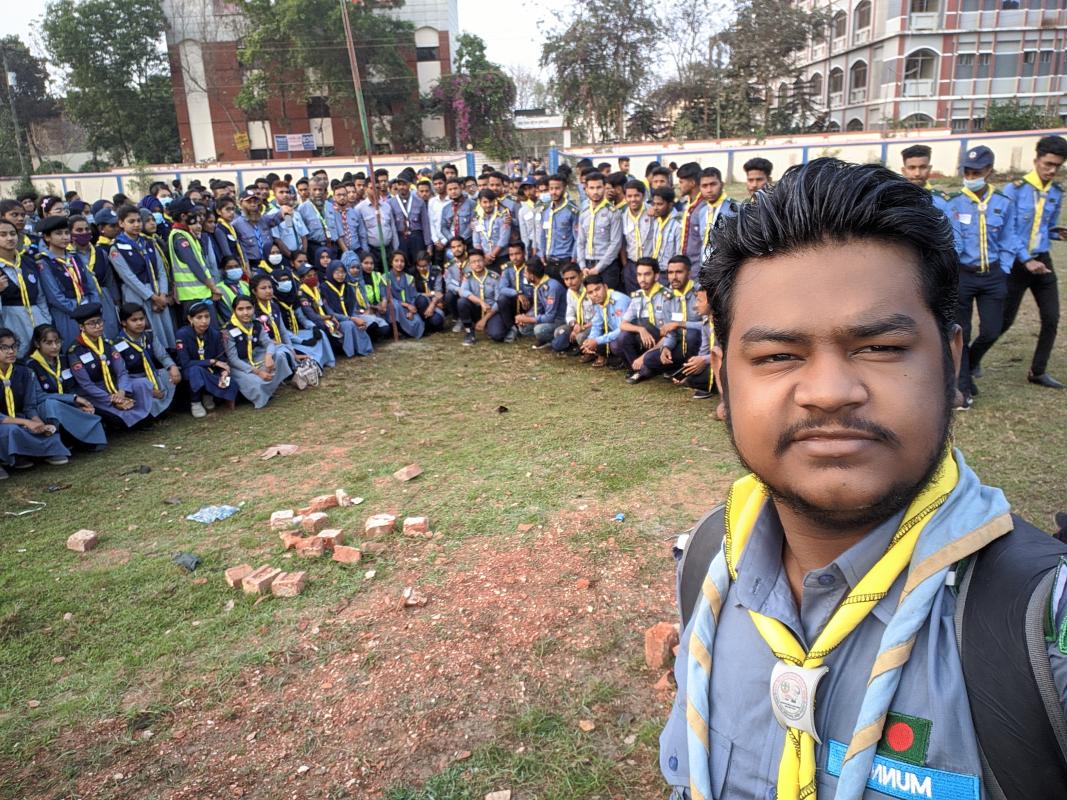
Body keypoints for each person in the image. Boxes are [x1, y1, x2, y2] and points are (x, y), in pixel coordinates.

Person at [660, 156, 1067, 800]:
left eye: (879, 348)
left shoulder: (1044, 627)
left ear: (950, 361)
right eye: (776, 356)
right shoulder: (710, 560)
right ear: (722, 378)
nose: (828, 392)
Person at [945, 146, 1017, 407]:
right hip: (964, 275)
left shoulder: (1002, 203)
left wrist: (1005, 269)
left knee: (992, 329)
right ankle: (963, 390)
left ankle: (972, 363)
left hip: (993, 275)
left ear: (989, 172)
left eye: (977, 171)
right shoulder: (953, 203)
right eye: (967, 170)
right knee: (962, 331)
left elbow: (1010, 238)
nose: (971, 175)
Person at [997, 134, 1067, 389]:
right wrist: (1026, 260)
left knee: (1051, 317)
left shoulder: (1056, 192)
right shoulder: (1014, 190)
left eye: (1057, 166)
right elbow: (1009, 230)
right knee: (1003, 320)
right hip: (1017, 263)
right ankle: (969, 362)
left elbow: (1044, 227)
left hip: (1042, 259)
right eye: (1047, 164)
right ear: (1036, 160)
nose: (1051, 170)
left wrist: (1056, 233)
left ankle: (1038, 371)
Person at [67, 303, 153, 428]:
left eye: (100, 322)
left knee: (142, 383)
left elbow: (122, 372)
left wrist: (122, 392)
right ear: (82, 327)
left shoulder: (108, 343)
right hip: (96, 393)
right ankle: (134, 417)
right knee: (119, 418)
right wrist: (112, 398)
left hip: (116, 388)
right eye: (92, 323)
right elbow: (86, 385)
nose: (98, 326)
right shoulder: (75, 350)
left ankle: (138, 415)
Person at [0, 327, 70, 478]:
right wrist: (26, 422)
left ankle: (21, 455)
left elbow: (29, 406)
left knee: (48, 433)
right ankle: (12, 457)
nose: (11, 351)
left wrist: (38, 423)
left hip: (19, 417)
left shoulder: (24, 372)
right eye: (3, 348)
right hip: (5, 422)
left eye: (13, 346)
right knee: (13, 430)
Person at [26, 323, 107, 447]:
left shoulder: (63, 359)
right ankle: (65, 438)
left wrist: (77, 403)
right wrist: (72, 398)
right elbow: (39, 396)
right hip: (44, 409)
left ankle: (81, 438)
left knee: (88, 407)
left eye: (57, 342)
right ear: (37, 344)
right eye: (48, 343)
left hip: (68, 405)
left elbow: (72, 387)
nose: (55, 346)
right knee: (52, 404)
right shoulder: (30, 366)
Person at [109, 204, 176, 351]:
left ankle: (170, 358)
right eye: (131, 221)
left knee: (166, 331)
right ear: (121, 223)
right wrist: (152, 297)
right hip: (138, 295)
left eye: (139, 221)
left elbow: (161, 270)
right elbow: (128, 277)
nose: (137, 225)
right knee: (148, 332)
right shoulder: (117, 248)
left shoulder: (148, 242)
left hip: (158, 292)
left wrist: (163, 294)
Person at [633, 255, 702, 382]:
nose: (674, 277)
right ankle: (676, 369)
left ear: (689, 273)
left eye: (679, 272)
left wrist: (680, 324)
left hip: (701, 345)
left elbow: (709, 325)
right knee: (650, 358)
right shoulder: (667, 298)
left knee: (692, 335)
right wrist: (667, 347)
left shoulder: (700, 292)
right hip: (680, 345)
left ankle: (693, 374)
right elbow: (670, 334)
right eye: (670, 272)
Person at [36, 216, 102, 348]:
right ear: (47, 237)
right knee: (73, 346)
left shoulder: (74, 257)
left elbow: (91, 285)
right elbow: (55, 296)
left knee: (95, 346)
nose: (65, 237)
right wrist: (79, 310)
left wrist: (93, 306)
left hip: (88, 310)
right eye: (58, 234)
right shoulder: (44, 262)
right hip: (67, 314)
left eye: (66, 233)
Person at [223, 294, 293, 409]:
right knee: (257, 383)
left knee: (280, 353)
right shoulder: (228, 330)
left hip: (255, 358)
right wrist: (258, 372)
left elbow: (268, 343)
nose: (245, 313)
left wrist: (268, 356)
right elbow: (233, 359)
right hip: (240, 366)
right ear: (234, 311)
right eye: (240, 309)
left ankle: (270, 386)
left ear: (254, 308)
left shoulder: (256, 324)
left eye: (249, 308)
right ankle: (264, 391)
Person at [175, 300, 238, 418]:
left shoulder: (214, 333)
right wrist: (211, 361)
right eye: (199, 317)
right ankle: (196, 402)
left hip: (210, 371)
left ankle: (208, 395)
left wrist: (224, 372)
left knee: (231, 382)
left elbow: (221, 358)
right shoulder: (182, 334)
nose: (204, 321)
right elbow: (185, 363)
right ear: (190, 319)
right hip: (190, 371)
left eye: (207, 316)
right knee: (196, 370)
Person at [116, 302, 180, 418]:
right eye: (134, 320)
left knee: (171, 374)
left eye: (141, 319)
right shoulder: (118, 344)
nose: (139, 323)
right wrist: (149, 389)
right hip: (135, 380)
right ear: (124, 323)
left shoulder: (149, 336)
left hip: (152, 374)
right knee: (142, 387)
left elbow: (162, 356)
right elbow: (122, 373)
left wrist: (172, 367)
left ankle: (166, 407)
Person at [301, 261, 374, 356]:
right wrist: (351, 318)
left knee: (366, 322)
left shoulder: (346, 286)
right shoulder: (323, 289)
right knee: (349, 324)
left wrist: (355, 317)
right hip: (330, 321)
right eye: (337, 272)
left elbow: (353, 307)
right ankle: (349, 351)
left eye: (343, 272)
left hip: (343, 318)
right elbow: (325, 312)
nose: (340, 275)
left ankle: (362, 349)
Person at [0, 218, 50, 358]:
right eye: (3, 235)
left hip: (37, 318)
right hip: (10, 321)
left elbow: (40, 296)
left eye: (12, 233)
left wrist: (46, 322)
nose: (9, 238)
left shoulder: (27, 262)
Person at [168, 199, 223, 324]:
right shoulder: (179, 236)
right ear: (183, 216)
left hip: (200, 292)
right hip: (193, 295)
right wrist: (213, 287)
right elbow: (194, 265)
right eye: (192, 214)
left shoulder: (187, 234)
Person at [248, 273, 315, 372]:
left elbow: (283, 332)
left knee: (302, 351)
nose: (268, 291)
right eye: (263, 288)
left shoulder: (274, 306)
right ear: (254, 291)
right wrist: (283, 347)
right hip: (262, 348)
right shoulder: (251, 310)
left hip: (279, 344)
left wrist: (292, 351)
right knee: (283, 353)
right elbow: (256, 338)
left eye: (270, 287)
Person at [617, 257, 670, 380]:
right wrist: (641, 330)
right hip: (646, 339)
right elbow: (623, 324)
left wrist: (644, 356)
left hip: (664, 341)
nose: (642, 279)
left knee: (649, 328)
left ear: (656, 276)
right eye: (639, 275)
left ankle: (646, 366)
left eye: (647, 274)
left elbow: (670, 333)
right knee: (621, 339)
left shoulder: (667, 296)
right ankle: (637, 369)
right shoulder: (638, 296)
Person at [576, 172, 624, 290]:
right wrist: (582, 266)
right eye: (591, 188)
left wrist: (598, 268)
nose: (595, 191)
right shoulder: (584, 213)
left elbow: (616, 244)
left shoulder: (613, 212)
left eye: (599, 187)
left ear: (604, 188)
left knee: (608, 301)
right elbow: (581, 242)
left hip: (607, 267)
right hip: (587, 265)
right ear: (586, 189)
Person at [670, 287, 716, 400]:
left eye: (700, 301)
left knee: (698, 379)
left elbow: (729, 354)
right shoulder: (707, 322)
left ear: (712, 302)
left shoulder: (725, 324)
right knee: (691, 375)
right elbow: (703, 351)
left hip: (729, 364)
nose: (695, 305)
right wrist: (693, 366)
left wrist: (703, 360)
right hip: (714, 360)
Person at [510, 259, 566, 347]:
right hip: (548, 319)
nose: (524, 275)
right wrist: (526, 317)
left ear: (532, 276)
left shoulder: (552, 287)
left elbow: (550, 317)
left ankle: (553, 340)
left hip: (561, 320)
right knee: (523, 328)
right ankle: (546, 338)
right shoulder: (538, 285)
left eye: (525, 273)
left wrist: (528, 319)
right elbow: (538, 307)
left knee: (539, 330)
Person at [577, 274, 630, 367]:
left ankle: (625, 360)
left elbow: (623, 329)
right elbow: (597, 325)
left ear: (605, 287)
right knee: (584, 338)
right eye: (590, 292)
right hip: (614, 332)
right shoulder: (598, 302)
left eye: (597, 289)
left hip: (631, 333)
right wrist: (590, 341)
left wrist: (597, 340)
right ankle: (609, 357)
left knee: (615, 345)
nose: (595, 294)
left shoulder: (618, 300)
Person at [535, 175, 578, 278]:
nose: (554, 192)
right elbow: (542, 234)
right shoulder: (544, 209)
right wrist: (541, 253)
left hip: (565, 260)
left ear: (564, 188)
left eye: (557, 188)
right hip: (549, 260)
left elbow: (578, 237)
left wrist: (574, 257)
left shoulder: (572, 211)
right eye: (551, 188)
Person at [389, 168, 433, 266]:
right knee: (403, 265)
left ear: (409, 185)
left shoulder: (419, 201)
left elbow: (425, 225)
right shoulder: (391, 203)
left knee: (419, 264)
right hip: (400, 238)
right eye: (399, 184)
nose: (401, 187)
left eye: (404, 184)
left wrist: (429, 245)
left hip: (416, 237)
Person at [457, 249, 501, 346]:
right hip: (475, 309)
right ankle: (469, 332)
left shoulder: (494, 277)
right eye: (473, 262)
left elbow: (499, 301)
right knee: (462, 302)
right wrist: (480, 302)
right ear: (469, 264)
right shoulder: (468, 277)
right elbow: (463, 292)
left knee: (497, 335)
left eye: (479, 260)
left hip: (491, 311)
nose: (477, 264)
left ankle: (487, 325)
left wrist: (484, 319)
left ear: (484, 260)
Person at [551, 262, 595, 355]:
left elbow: (599, 316)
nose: (569, 282)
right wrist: (574, 324)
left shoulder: (590, 289)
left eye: (572, 278)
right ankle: (576, 346)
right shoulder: (570, 292)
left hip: (592, 325)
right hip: (578, 325)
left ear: (581, 275)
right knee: (558, 332)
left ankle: (588, 352)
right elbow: (569, 314)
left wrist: (583, 327)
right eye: (566, 279)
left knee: (581, 336)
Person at [356, 187, 399, 271]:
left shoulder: (386, 206)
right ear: (366, 189)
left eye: (376, 187)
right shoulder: (360, 208)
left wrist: (395, 248)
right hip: (372, 250)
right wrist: (366, 253)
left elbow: (393, 228)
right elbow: (361, 233)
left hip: (388, 249)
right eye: (371, 188)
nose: (374, 190)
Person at [900, 144, 952, 214]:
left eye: (922, 167)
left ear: (929, 169)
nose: (917, 173)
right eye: (912, 168)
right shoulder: (893, 198)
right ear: (904, 171)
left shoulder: (943, 201)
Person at [386, 251, 426, 339]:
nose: (399, 264)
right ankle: (397, 330)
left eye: (402, 261)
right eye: (396, 261)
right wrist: (406, 305)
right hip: (396, 306)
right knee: (394, 306)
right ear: (391, 262)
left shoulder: (409, 278)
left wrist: (411, 310)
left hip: (408, 308)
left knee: (417, 323)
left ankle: (405, 332)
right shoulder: (385, 278)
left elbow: (413, 296)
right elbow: (388, 298)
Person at [472, 189, 511, 272]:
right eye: (485, 202)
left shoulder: (503, 217)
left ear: (495, 201)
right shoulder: (477, 219)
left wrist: (492, 255)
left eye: (491, 201)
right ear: (480, 202)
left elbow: (503, 240)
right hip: (484, 258)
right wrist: (483, 255)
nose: (488, 205)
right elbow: (476, 241)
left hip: (501, 257)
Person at [298, 176, 337, 255]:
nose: (318, 192)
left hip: (332, 246)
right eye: (314, 189)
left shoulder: (331, 206)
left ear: (324, 190)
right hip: (314, 247)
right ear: (309, 190)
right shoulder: (302, 209)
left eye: (320, 189)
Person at [649, 188, 681, 276]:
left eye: (659, 204)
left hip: (669, 273)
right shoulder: (656, 221)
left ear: (670, 205)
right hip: (655, 271)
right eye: (654, 204)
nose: (655, 208)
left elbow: (679, 253)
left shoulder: (678, 224)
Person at [412, 251, 446, 334]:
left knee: (437, 320)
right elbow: (414, 293)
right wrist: (432, 293)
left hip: (435, 303)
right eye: (419, 266)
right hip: (420, 303)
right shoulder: (412, 273)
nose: (421, 269)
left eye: (424, 266)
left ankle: (433, 327)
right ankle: (424, 325)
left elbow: (439, 292)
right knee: (421, 300)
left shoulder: (436, 271)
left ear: (429, 264)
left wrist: (432, 304)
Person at [439, 177, 475, 250]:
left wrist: (461, 240)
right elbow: (443, 227)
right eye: (450, 189)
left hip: (469, 242)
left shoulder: (471, 204)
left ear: (461, 188)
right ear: (447, 191)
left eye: (455, 188)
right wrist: (452, 240)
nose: (453, 191)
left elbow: (473, 223)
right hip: (452, 245)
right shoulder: (446, 208)